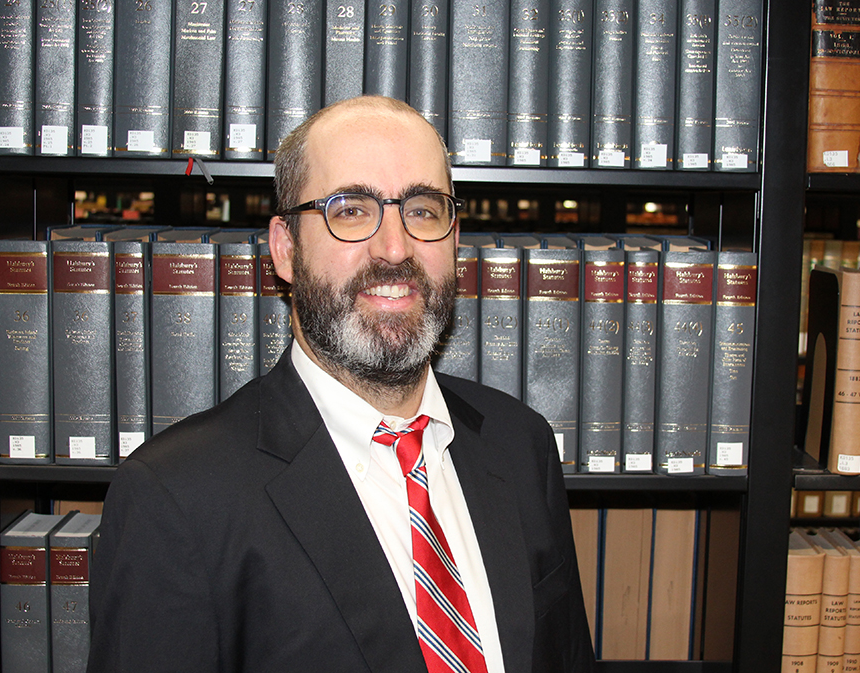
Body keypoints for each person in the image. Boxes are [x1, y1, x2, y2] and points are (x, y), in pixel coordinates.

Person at [87, 95, 595, 673]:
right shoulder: (175, 499)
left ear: (455, 239)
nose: (396, 247)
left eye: (423, 210)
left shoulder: (520, 443)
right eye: (351, 210)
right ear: (285, 248)